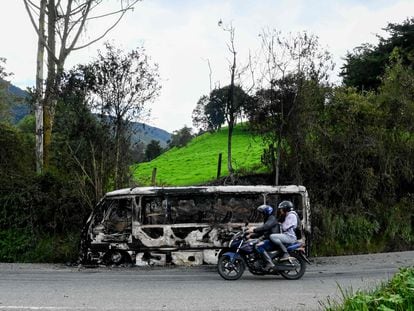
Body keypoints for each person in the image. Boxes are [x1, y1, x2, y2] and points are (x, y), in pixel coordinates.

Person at [246, 204, 279, 270]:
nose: (261, 215)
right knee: (253, 243)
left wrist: (254, 229)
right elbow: (262, 232)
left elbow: (265, 227)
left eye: (262, 213)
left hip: (272, 241)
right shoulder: (267, 219)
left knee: (258, 246)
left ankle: (269, 263)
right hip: (268, 239)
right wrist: (251, 235)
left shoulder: (272, 219)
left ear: (266, 213)